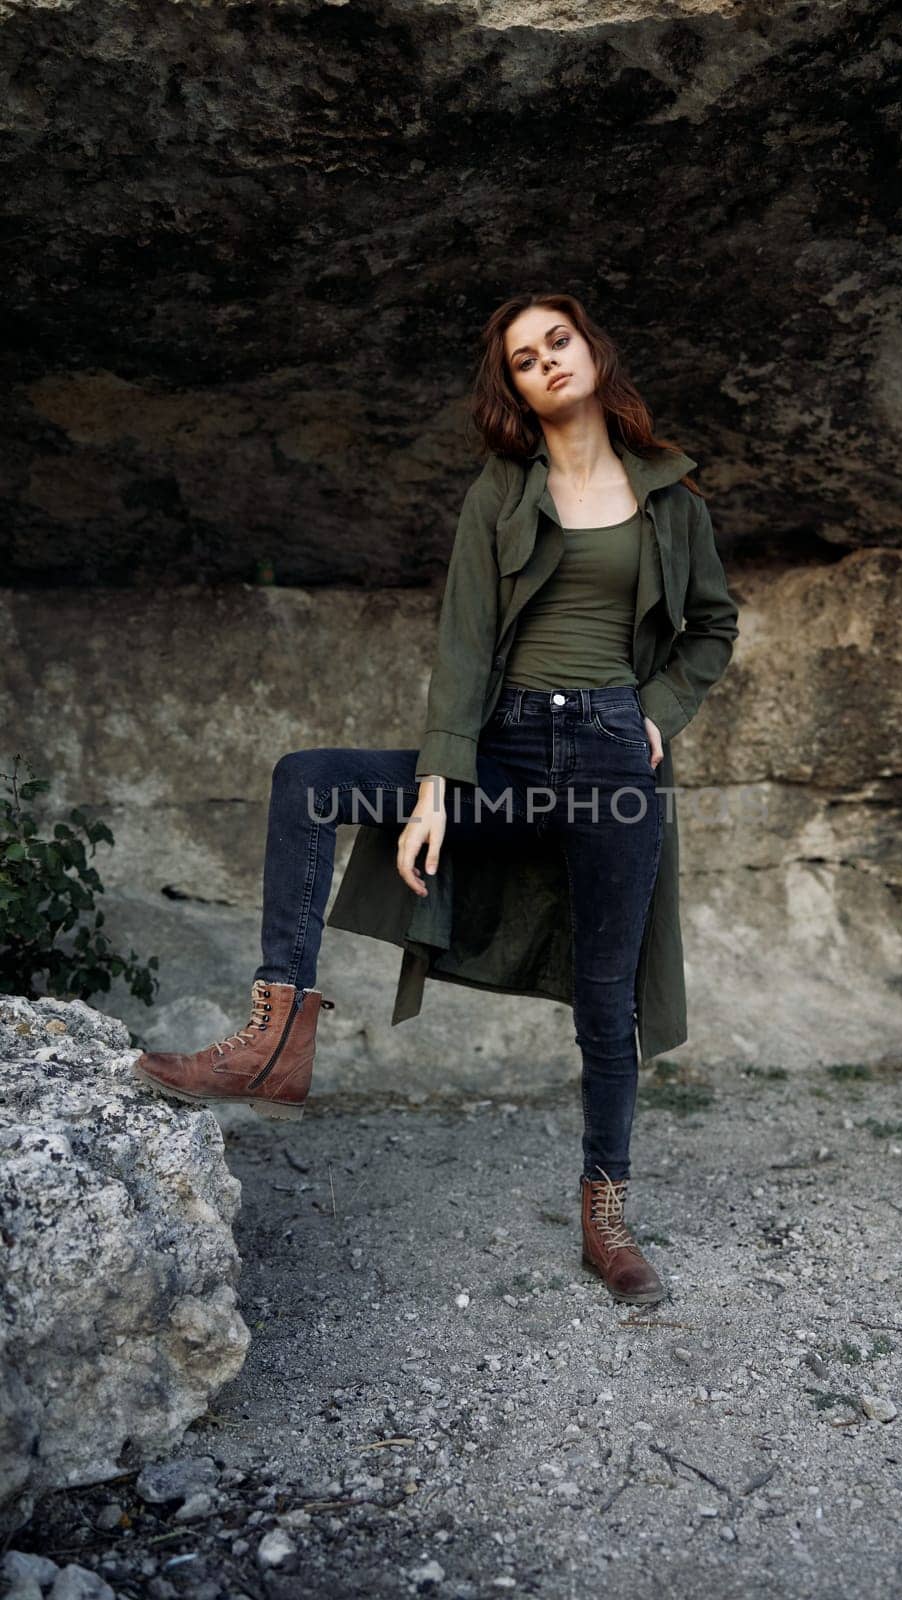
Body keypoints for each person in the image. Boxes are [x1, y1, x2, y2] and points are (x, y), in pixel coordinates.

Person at [134, 291, 740, 1307]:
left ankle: (604, 1214)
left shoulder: (672, 499)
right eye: (521, 357)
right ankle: (278, 1033)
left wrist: (656, 713)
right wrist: (431, 788)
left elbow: (711, 627)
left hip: (609, 764)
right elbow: (462, 650)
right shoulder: (499, 494)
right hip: (502, 751)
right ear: (510, 387)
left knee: (605, 999)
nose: (546, 361)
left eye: (558, 340)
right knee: (308, 780)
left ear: (590, 349)